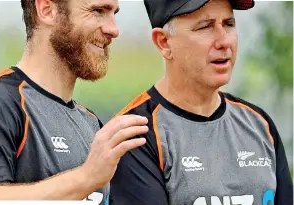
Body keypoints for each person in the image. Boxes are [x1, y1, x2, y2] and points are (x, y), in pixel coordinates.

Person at [0, 0, 149, 204]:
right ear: (47, 10)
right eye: (98, 11)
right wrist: (85, 178)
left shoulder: (91, 123)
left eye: (114, 13)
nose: (113, 30)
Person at [110, 0, 293, 204]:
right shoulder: (134, 134)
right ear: (164, 42)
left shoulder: (260, 124)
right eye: (205, 27)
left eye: (229, 24)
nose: (223, 41)